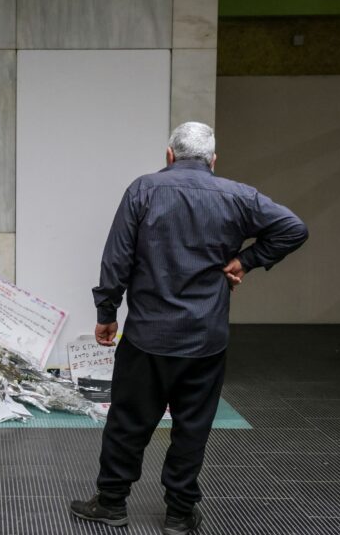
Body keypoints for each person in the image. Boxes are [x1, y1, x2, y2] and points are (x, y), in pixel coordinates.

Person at [69, 122, 308, 534]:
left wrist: (106, 313)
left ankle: (111, 504)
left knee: (129, 421)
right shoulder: (239, 196)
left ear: (169, 155)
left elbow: (117, 259)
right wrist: (247, 260)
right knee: (192, 426)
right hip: (205, 340)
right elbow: (293, 229)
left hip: (147, 336)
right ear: (213, 160)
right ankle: (179, 514)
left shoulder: (143, 190)